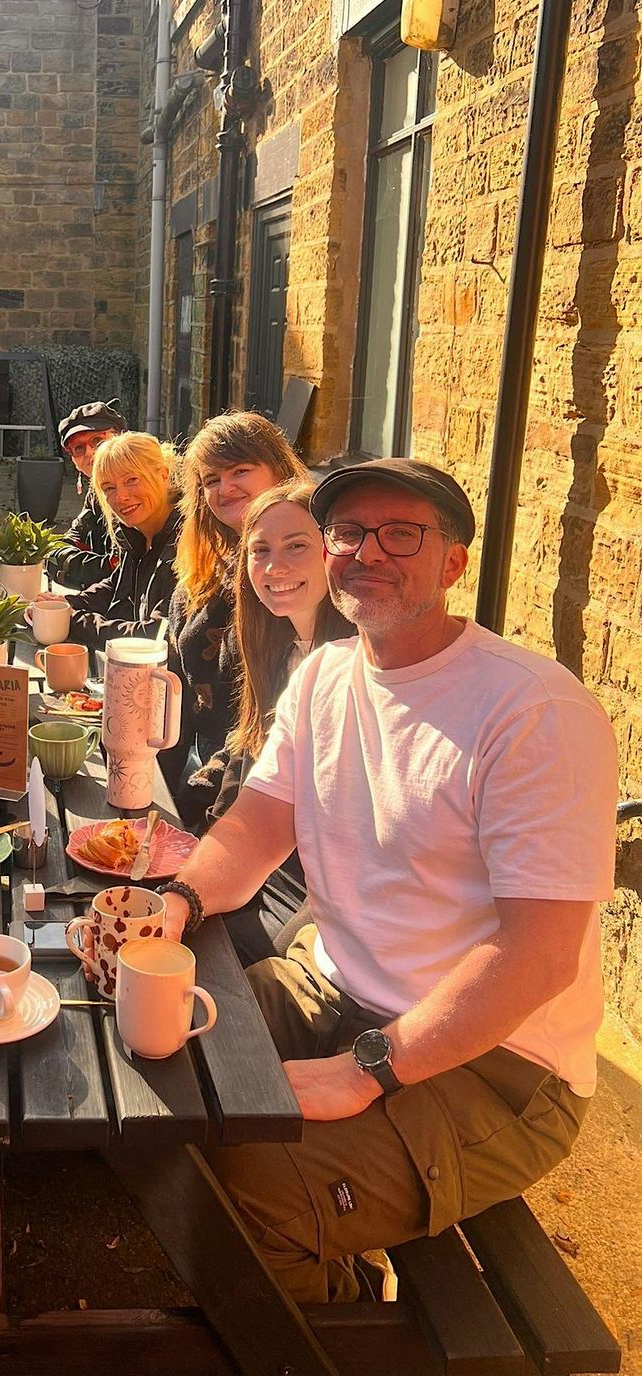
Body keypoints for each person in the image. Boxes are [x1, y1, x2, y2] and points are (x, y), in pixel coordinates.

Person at [159, 459, 617, 1304]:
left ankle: (339, 1331)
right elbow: (257, 825)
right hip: (329, 991)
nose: (369, 552)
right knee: (157, 1059)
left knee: (243, 1194)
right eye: (348, 532)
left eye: (402, 534)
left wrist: (365, 1070)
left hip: (495, 1063)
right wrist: (176, 902)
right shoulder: (325, 674)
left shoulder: (533, 711)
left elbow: (540, 955)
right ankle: (324, 1266)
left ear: (454, 563)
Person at [211, 480, 353, 962]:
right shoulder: (276, 649)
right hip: (270, 864)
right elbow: (251, 758)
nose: (275, 568)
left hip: (324, 891)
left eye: (297, 546)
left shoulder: (357, 663)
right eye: (260, 550)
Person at [165, 412, 306, 821]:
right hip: (204, 763)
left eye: (240, 471)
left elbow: (272, 719)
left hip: (259, 787)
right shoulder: (210, 562)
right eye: (211, 480)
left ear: (278, 470)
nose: (224, 488)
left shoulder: (292, 578)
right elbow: (175, 678)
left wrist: (198, 807)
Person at [67, 431, 181, 648]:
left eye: (131, 480)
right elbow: (117, 585)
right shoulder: (134, 532)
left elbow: (156, 636)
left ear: (163, 475)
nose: (121, 497)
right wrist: (65, 605)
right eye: (109, 488)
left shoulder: (187, 543)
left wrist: (74, 621)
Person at [46, 400, 125, 588]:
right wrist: (105, 566)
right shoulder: (95, 493)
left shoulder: (143, 487)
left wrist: (84, 569)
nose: (89, 452)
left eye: (98, 441)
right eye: (79, 448)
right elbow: (60, 551)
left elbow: (125, 569)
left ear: (121, 439)